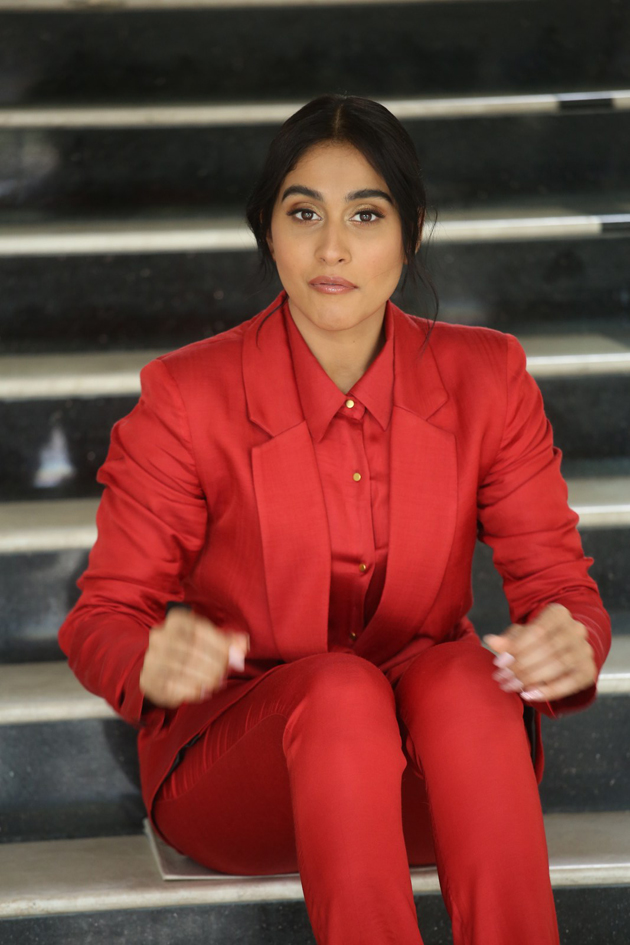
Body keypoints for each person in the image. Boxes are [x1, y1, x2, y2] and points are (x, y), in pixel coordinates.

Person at [58, 93, 611, 945]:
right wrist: (148, 657)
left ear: (410, 232)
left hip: (432, 775)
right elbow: (103, 616)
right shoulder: (188, 395)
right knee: (342, 691)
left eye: (367, 214)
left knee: (470, 680)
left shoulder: (489, 377)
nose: (333, 248)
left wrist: (570, 639)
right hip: (244, 777)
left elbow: (560, 590)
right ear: (268, 231)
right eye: (304, 212)